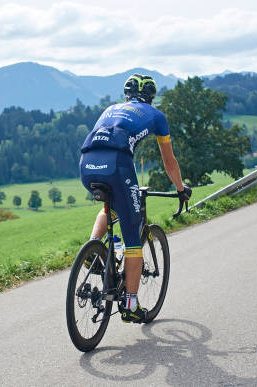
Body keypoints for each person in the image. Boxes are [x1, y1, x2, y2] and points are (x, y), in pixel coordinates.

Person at [79, 74, 191, 323]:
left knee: (111, 206)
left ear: (127, 95)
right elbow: (169, 161)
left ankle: (93, 247)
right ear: (151, 96)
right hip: (117, 166)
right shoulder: (156, 116)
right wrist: (180, 188)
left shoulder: (111, 108)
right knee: (132, 239)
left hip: (86, 165)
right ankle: (130, 304)